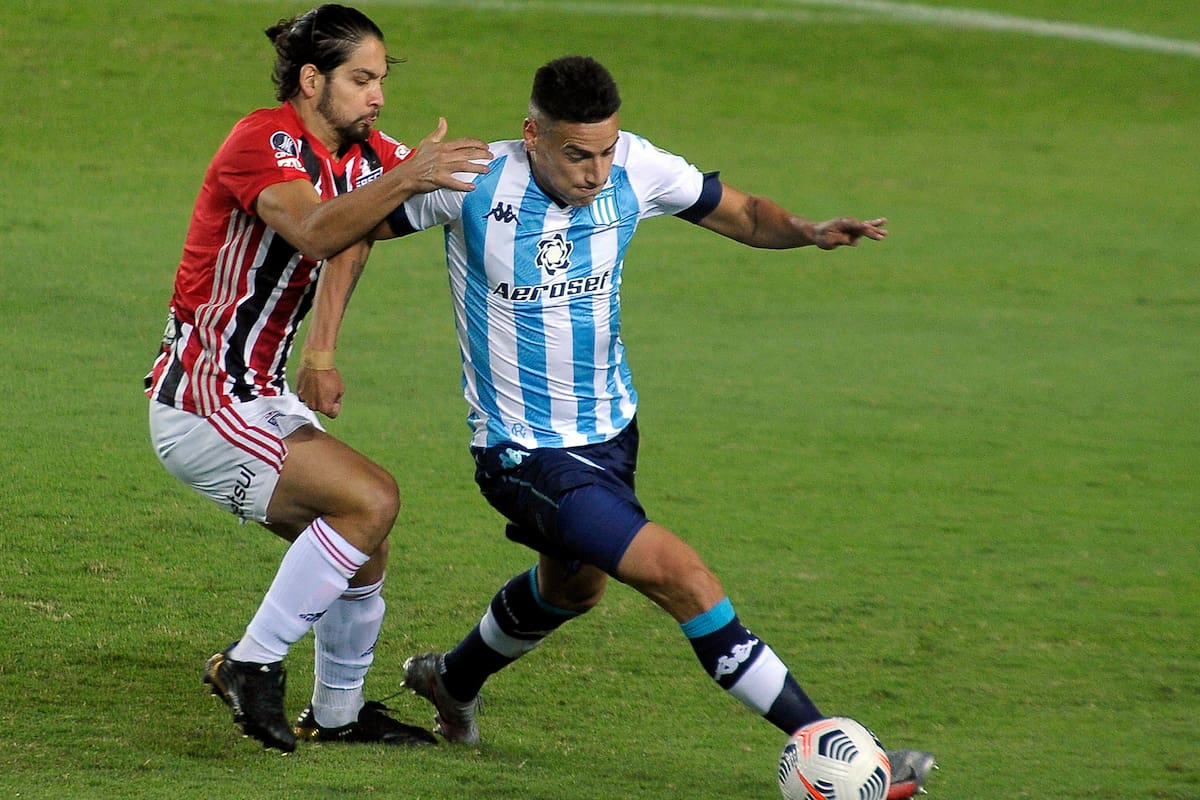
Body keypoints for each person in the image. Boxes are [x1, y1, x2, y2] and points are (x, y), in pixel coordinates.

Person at [376, 55, 935, 796]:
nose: (596, 171)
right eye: (577, 154)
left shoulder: (637, 167)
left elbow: (742, 212)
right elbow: (352, 228)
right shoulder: (473, 179)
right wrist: (320, 345)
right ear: (532, 135)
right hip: (522, 451)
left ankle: (450, 679)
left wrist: (807, 229)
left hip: (610, 435)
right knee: (685, 577)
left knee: (573, 591)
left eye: (605, 150)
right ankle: (839, 754)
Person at [144, 4, 491, 753]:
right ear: (311, 80)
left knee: (363, 543)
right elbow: (317, 228)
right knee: (370, 499)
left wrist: (545, 170)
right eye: (361, 79)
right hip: (205, 398)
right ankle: (250, 664)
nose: (378, 97)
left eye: (380, 80)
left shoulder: (358, 156)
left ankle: (337, 716)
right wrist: (406, 178)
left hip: (259, 393)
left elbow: (377, 219)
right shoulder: (262, 140)